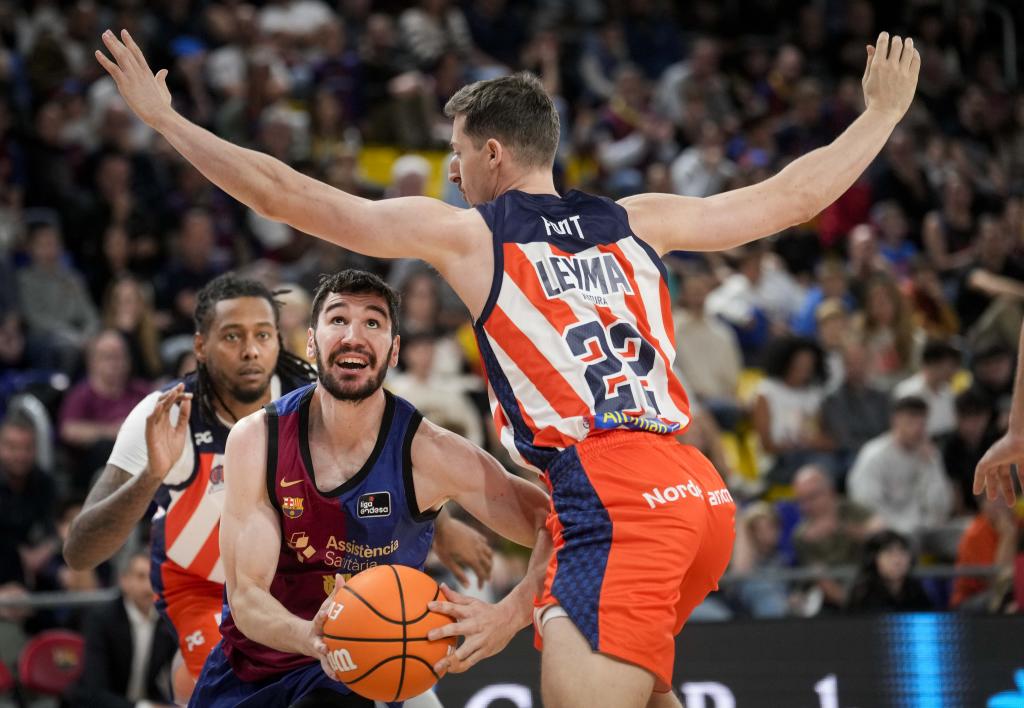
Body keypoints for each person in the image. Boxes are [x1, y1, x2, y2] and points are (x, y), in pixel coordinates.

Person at [97, 28, 919, 707]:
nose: (452, 173)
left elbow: (286, 195)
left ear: (492, 152)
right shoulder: (637, 219)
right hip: (696, 491)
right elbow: (788, 200)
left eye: (456, 155)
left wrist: (167, 121)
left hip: (612, 492)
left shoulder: (476, 234)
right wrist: (879, 117)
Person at [64, 274, 489, 700]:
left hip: (305, 583)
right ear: (200, 347)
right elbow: (81, 551)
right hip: (205, 590)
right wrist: (150, 475)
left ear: (282, 341)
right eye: (232, 336)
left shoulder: (323, 387)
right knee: (193, 674)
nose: (251, 350)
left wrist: (442, 521)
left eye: (263, 335)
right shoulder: (161, 417)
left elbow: (384, 456)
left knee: (398, 672)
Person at [190, 270, 550, 707]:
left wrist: (508, 617)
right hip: (255, 668)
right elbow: (247, 597)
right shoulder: (258, 440)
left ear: (394, 350)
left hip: (370, 668)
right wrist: (313, 636)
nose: (354, 336)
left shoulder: (431, 453)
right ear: (310, 342)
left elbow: (555, 522)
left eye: (373, 323)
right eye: (338, 319)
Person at [72, 551, 178, 708]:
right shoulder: (102, 619)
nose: (148, 586)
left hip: (146, 700)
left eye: (153, 577)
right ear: (124, 581)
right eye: (141, 577)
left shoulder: (166, 620)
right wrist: (145, 707)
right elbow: (95, 691)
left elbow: (175, 673)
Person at [973, 320, 1024, 505]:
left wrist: (1017, 429)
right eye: (989, 364)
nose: (995, 369)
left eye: (998, 362)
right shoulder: (974, 392)